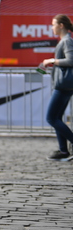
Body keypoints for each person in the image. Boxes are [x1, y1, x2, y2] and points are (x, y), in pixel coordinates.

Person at [41, 14, 73, 161]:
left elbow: (71, 60)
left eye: (53, 24)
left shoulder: (67, 41)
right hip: (65, 85)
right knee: (57, 117)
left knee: (51, 117)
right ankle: (63, 151)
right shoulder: (66, 40)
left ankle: (67, 148)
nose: (51, 27)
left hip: (63, 86)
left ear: (61, 26)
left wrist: (51, 60)